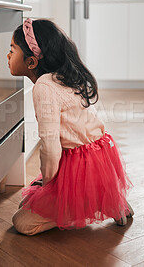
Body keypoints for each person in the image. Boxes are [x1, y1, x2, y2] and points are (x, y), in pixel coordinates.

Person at [8, 19, 133, 236]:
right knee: (28, 202)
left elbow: (51, 146)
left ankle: (83, 206)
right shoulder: (62, 76)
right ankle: (110, 200)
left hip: (80, 167)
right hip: (99, 160)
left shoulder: (44, 87)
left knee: (22, 222)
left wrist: (48, 184)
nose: (7, 56)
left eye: (12, 50)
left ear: (31, 62)